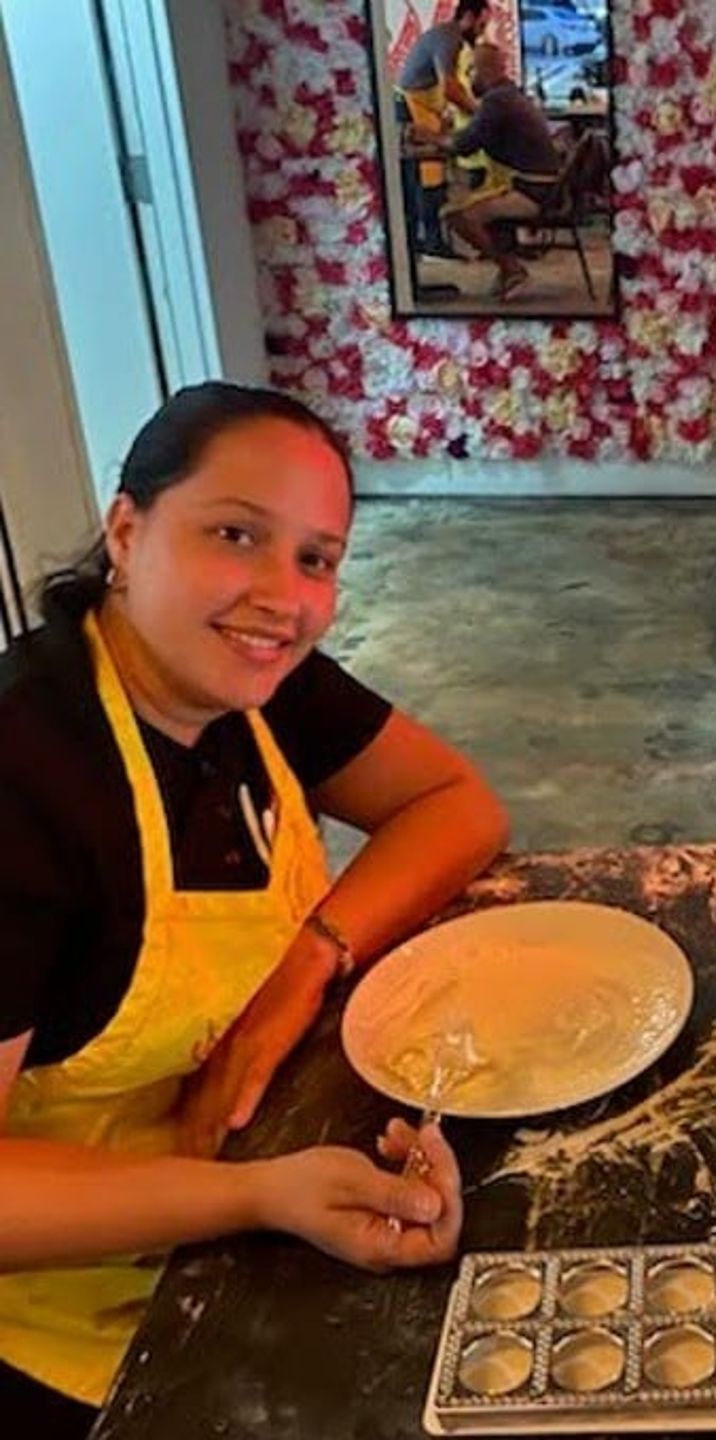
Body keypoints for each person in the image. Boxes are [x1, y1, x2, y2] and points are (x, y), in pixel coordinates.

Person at [0, 382, 510, 1436]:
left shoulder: (256, 683)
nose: (283, 597)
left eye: (315, 559)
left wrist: (299, 972)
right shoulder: (27, 780)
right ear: (127, 529)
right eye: (236, 533)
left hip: (258, 1183)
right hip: (77, 1335)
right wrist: (257, 1198)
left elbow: (456, 807)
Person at [443, 43, 563, 300]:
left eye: (472, 70)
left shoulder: (497, 100)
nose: (470, 77)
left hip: (534, 193)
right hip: (544, 187)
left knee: (457, 215)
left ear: (485, 70)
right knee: (482, 200)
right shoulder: (509, 95)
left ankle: (512, 270)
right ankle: (508, 268)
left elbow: (462, 146)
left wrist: (427, 136)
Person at [396, 0, 489, 258]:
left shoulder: (453, 39)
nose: (482, 31)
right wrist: (479, 113)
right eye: (482, 24)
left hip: (429, 108)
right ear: (468, 16)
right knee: (429, 175)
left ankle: (434, 240)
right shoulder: (449, 38)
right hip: (412, 107)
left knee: (436, 175)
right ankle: (431, 243)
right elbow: (450, 87)